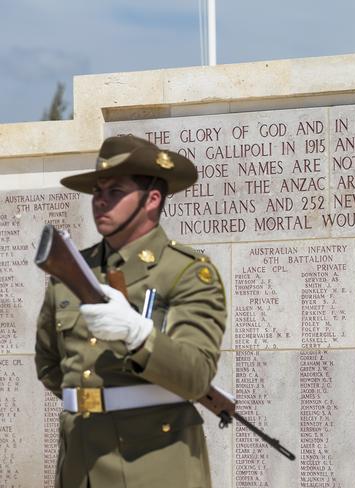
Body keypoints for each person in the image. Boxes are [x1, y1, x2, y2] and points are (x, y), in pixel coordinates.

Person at [34, 135, 226, 487]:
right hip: (79, 463)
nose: (100, 202)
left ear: (152, 200)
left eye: (115, 193)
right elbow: (49, 364)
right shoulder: (73, 271)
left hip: (153, 465)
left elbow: (197, 374)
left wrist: (139, 337)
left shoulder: (185, 272)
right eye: (97, 192)